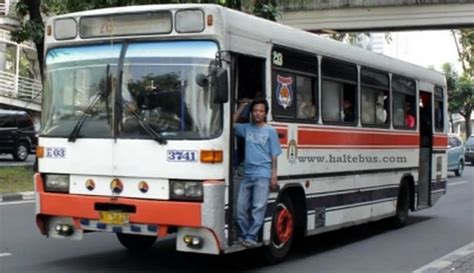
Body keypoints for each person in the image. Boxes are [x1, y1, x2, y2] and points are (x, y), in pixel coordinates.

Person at [233, 97, 282, 248]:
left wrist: (274, 176)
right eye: (255, 111)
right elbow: (230, 124)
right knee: (240, 208)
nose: (257, 114)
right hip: (247, 174)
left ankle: (251, 236)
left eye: (261, 111)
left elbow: (274, 155)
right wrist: (242, 107)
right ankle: (243, 234)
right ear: (252, 112)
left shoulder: (270, 131)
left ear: (265, 113)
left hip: (263, 174)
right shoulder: (246, 128)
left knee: (258, 207)